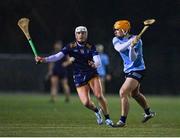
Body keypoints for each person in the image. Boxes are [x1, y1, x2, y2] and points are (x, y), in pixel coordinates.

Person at [35, 26, 114, 126]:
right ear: (76, 35)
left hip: (91, 73)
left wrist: (95, 64)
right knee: (86, 103)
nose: (81, 35)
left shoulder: (91, 46)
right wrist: (43, 59)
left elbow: (97, 60)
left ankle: (107, 118)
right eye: (79, 33)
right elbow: (57, 56)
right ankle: (97, 111)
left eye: (83, 33)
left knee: (99, 95)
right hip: (78, 76)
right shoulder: (70, 46)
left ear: (86, 34)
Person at [112, 20, 155, 127]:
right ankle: (148, 113)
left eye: (118, 29)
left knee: (123, 92)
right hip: (128, 70)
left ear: (125, 30)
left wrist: (132, 47)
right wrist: (130, 43)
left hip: (138, 69)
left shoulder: (138, 41)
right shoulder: (116, 40)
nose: (115, 31)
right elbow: (119, 49)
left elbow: (133, 58)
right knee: (134, 94)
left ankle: (122, 121)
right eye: (115, 29)